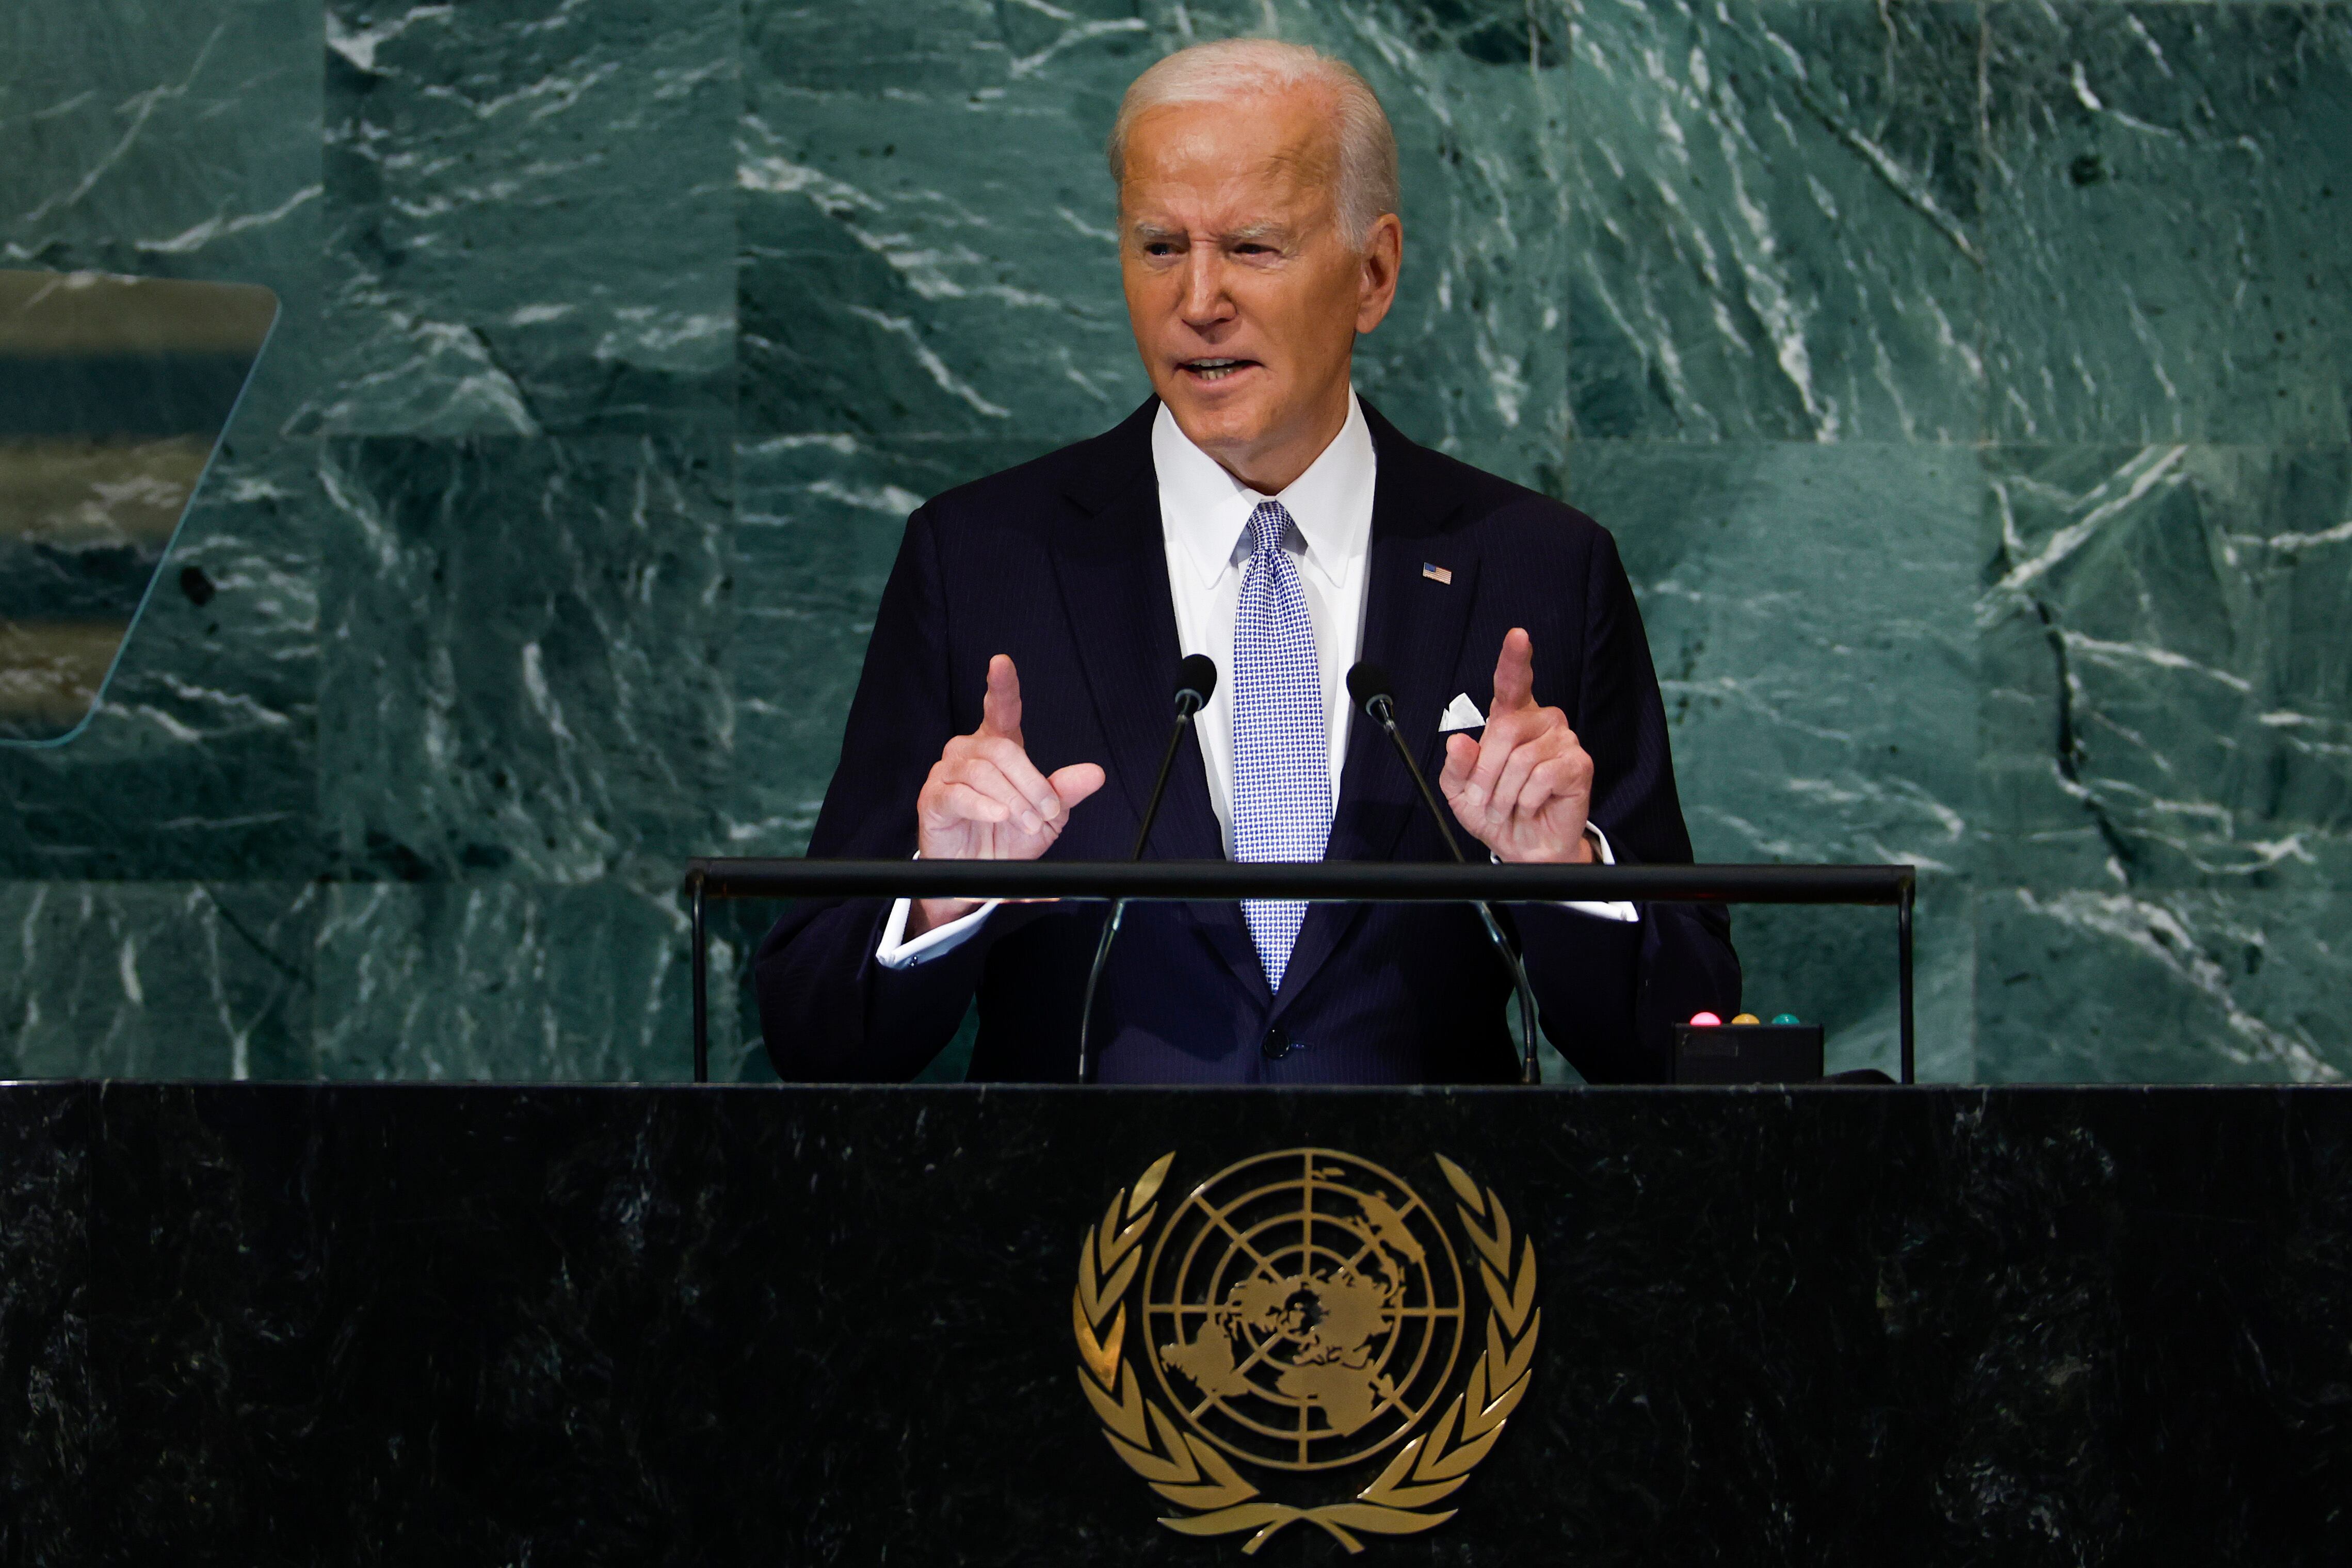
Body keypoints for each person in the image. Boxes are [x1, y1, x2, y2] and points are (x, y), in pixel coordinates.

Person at [755, 39, 1739, 1084]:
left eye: (1253, 248)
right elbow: (815, 1033)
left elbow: (1683, 1039)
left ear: (1373, 273)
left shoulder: (1541, 568)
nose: (1198, 300)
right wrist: (938, 893)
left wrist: (1561, 872)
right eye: (1158, 246)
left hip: (1428, 1235)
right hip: (1088, 1235)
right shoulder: (983, 560)